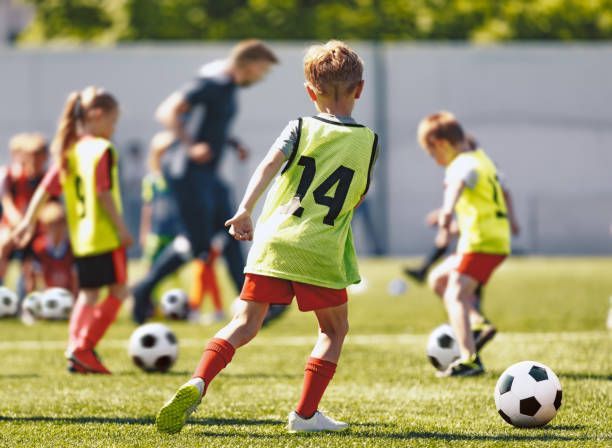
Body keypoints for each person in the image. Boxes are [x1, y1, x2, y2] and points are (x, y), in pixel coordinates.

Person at [155, 40, 378, 434]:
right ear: (359, 89)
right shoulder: (367, 141)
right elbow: (356, 196)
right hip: (319, 247)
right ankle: (305, 415)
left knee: (243, 323)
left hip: (274, 241)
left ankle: (198, 380)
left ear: (311, 92)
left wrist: (244, 210)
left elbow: (268, 166)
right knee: (333, 330)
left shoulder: (299, 126)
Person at [131, 39, 278, 324]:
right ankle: (143, 290)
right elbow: (167, 111)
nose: (261, 77)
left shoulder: (228, 87)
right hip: (187, 174)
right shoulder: (213, 83)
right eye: (262, 70)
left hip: (207, 176)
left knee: (233, 233)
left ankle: (255, 307)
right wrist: (189, 146)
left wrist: (232, 143)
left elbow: (209, 124)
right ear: (248, 64)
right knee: (196, 243)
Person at [13, 86, 132, 374]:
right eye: (113, 121)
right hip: (105, 234)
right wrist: (122, 229)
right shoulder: (101, 149)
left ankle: (74, 350)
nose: (113, 129)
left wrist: (28, 222)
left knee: (88, 294)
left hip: (82, 238)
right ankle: (84, 346)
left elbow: (45, 188)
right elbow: (103, 193)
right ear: (97, 115)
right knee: (119, 291)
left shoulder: (71, 150)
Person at [416, 111, 510, 377]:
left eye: (433, 155)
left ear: (441, 144)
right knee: (438, 279)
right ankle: (478, 324)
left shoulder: (460, 164)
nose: (435, 161)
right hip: (492, 239)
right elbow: (486, 205)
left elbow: (456, 185)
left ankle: (470, 359)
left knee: (454, 294)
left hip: (481, 243)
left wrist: (446, 215)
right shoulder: (482, 159)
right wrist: (453, 223)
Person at [0, 133, 49, 293]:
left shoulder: (46, 179)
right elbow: (7, 202)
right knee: (4, 243)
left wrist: (32, 225)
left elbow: (51, 211)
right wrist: (19, 223)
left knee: (33, 260)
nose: (34, 161)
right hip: (14, 227)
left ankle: (27, 298)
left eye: (39, 157)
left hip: (36, 229)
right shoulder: (13, 177)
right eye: (30, 157)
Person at [28, 201, 77, 296]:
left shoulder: (71, 248)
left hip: (68, 295)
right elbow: (37, 278)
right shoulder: (39, 248)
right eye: (52, 225)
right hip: (47, 296)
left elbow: (76, 279)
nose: (57, 229)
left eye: (60, 224)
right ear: (45, 227)